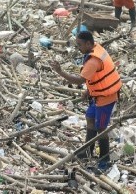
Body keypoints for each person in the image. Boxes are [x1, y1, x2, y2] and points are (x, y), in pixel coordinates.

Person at [50, 31, 122, 170]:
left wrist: (60, 71)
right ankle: (86, 152)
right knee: (90, 118)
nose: (78, 47)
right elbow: (98, 77)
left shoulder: (93, 61)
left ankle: (104, 160)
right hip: (98, 95)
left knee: (101, 127)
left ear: (89, 43)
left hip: (106, 97)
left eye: (80, 45)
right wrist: (88, 91)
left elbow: (79, 80)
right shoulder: (96, 49)